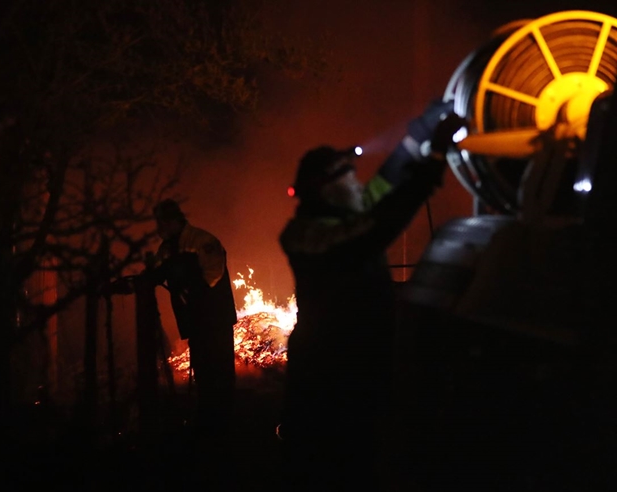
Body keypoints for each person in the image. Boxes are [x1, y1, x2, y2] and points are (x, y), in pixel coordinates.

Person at [277, 100, 466, 490]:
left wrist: (417, 133)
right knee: (333, 468)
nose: (357, 183)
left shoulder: (342, 214)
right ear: (327, 188)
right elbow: (377, 226)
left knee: (365, 461)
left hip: (358, 368)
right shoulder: (305, 235)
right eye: (348, 177)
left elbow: (385, 183)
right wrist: (432, 162)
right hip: (328, 379)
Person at [147, 199, 237, 440]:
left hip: (215, 319)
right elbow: (155, 274)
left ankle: (225, 427)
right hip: (195, 322)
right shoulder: (167, 248)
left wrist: (189, 289)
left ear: (174, 220)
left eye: (162, 221)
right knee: (204, 375)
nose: (158, 227)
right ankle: (209, 425)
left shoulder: (201, 241)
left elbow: (213, 274)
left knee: (220, 373)